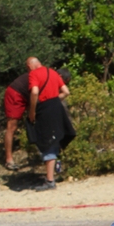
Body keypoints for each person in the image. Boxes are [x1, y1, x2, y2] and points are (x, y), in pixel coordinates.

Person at [25, 60, 73, 191]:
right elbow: (66, 91)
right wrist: (55, 101)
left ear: (30, 65)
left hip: (44, 111)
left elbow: (34, 92)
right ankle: (54, 174)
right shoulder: (52, 72)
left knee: (46, 142)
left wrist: (33, 111)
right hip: (56, 109)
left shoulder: (34, 74)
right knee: (54, 140)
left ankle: (50, 180)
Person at [3, 57, 41, 171]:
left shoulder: (45, 73)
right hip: (15, 94)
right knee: (12, 126)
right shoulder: (35, 73)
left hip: (27, 96)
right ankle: (9, 160)